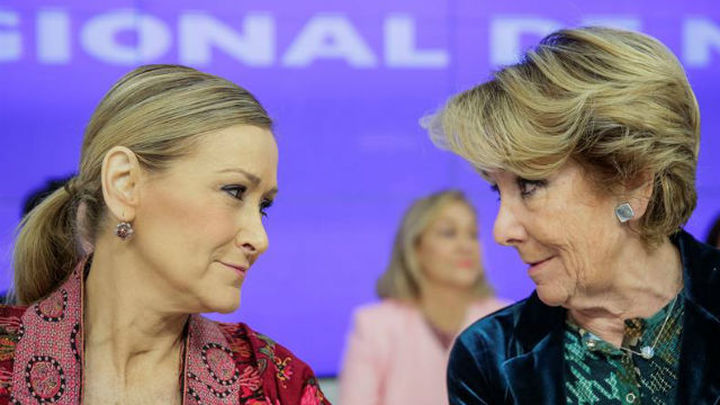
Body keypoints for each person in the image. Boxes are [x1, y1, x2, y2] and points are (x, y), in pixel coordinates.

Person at [3, 65, 329, 404]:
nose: (259, 240)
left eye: (264, 206)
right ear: (125, 183)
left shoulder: (278, 384)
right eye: (234, 191)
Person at [425, 27, 719, 403]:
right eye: (499, 192)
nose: (501, 231)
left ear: (632, 183)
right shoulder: (489, 357)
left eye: (530, 186)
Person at [339, 190, 508, 405]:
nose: (466, 246)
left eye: (473, 234)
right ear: (415, 248)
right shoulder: (374, 326)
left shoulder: (504, 322)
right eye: (449, 233)